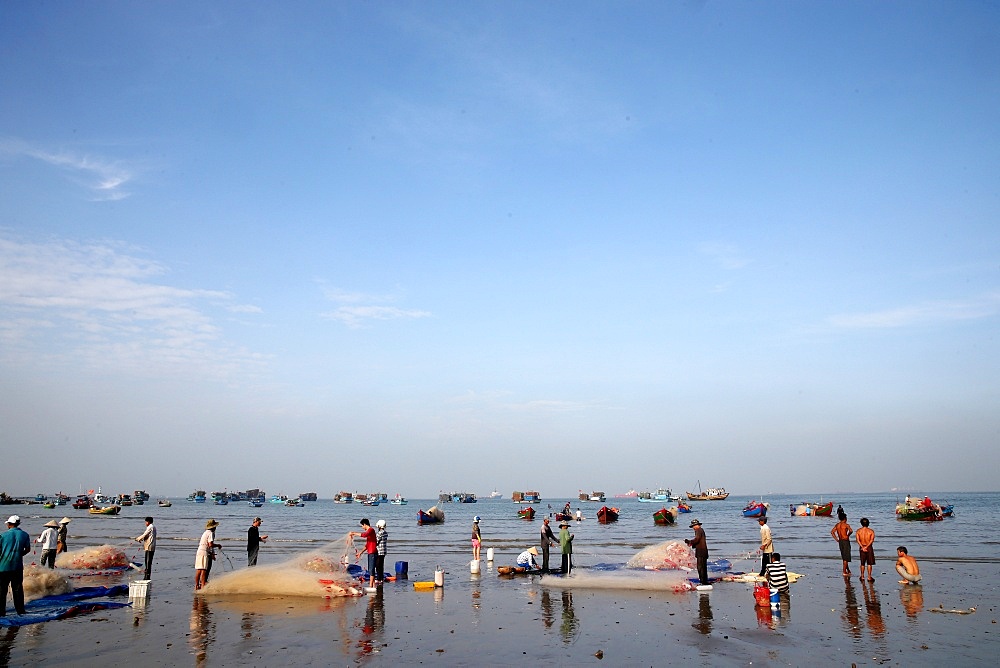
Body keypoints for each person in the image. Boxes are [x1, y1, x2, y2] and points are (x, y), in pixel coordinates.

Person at [0, 515, 32, 616]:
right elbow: (27, 549)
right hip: (17, 566)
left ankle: (1, 612)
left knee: (2, 590)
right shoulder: (25, 535)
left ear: (9, 525)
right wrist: (18, 554)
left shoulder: (3, 536)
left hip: (3, 566)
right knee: (17, 589)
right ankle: (20, 611)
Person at [349, 518, 378, 588]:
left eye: (362, 526)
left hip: (373, 552)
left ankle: (371, 586)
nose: (362, 527)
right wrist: (360, 553)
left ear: (365, 524)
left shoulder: (371, 530)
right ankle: (373, 585)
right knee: (371, 569)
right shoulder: (370, 532)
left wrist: (354, 533)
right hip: (370, 552)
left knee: (371, 570)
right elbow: (367, 545)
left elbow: (364, 535)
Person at [195, 519, 219, 591]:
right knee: (204, 570)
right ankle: (203, 586)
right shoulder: (211, 533)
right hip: (204, 552)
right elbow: (210, 544)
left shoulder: (205, 532)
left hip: (199, 551)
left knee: (199, 570)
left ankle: (196, 585)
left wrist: (212, 553)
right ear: (213, 527)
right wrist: (218, 545)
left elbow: (207, 545)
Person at [685, 518, 709, 586]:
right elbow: (698, 541)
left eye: (693, 526)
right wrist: (691, 543)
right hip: (702, 551)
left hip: (701, 551)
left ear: (696, 525)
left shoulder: (699, 530)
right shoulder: (700, 530)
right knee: (703, 567)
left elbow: (697, 540)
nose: (693, 528)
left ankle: (703, 582)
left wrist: (689, 542)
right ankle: (704, 581)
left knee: (700, 567)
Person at [830, 511, 853, 576]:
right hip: (845, 541)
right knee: (846, 557)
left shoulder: (837, 525)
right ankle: (844, 571)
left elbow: (832, 532)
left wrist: (837, 539)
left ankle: (847, 570)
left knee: (844, 556)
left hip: (840, 541)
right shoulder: (846, 525)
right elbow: (851, 531)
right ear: (845, 518)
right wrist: (848, 535)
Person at [855, 517, 875, 582]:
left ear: (861, 523)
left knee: (862, 563)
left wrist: (862, 547)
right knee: (869, 563)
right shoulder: (871, 531)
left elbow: (858, 540)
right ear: (868, 523)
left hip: (862, 547)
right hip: (868, 547)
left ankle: (862, 576)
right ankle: (869, 576)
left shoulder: (858, 531)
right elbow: (871, 540)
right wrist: (866, 547)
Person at [374, 519, 388, 585]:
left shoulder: (380, 533)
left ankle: (379, 579)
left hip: (379, 551)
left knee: (378, 565)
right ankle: (381, 578)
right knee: (381, 565)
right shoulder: (385, 533)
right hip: (384, 551)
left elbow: (376, 542)